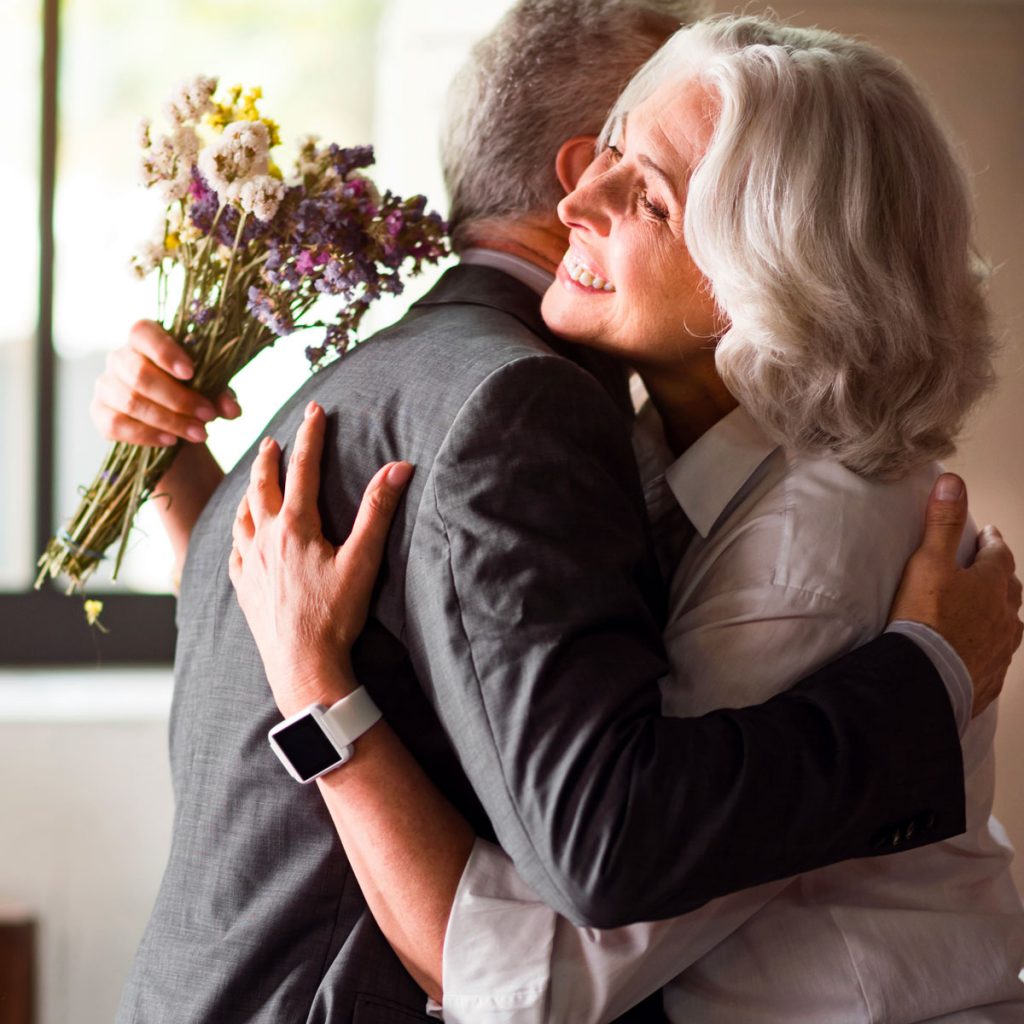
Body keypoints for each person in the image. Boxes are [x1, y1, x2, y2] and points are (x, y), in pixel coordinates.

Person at [99, 3, 1022, 1022]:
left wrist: (928, 676)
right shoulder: (573, 430)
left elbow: (537, 967)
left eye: (652, 193)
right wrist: (172, 462)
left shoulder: (797, 538)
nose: (577, 193)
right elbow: (348, 638)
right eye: (605, 149)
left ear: (764, 270)